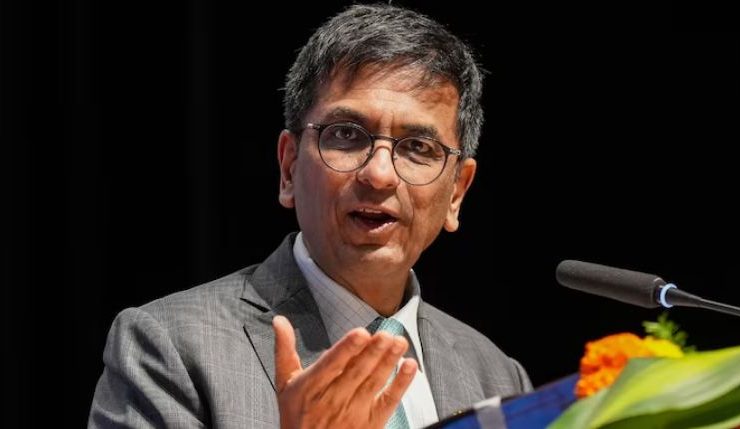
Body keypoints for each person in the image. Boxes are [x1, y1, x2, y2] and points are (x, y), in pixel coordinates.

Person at [88, 4, 533, 428]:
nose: (379, 174)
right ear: (289, 167)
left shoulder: (498, 376)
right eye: (346, 134)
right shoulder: (170, 345)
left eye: (418, 147)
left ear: (456, 192)